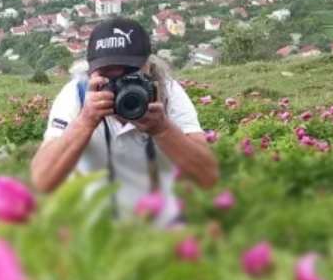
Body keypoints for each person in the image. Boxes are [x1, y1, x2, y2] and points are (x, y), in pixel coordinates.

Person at [30, 18, 218, 224]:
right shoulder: (76, 95)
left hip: (162, 233)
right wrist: (85, 121)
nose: (121, 86)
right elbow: (42, 180)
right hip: (97, 233)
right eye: (108, 77)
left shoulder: (168, 93)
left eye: (131, 74)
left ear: (149, 65)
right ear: (90, 72)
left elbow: (207, 176)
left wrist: (163, 130)